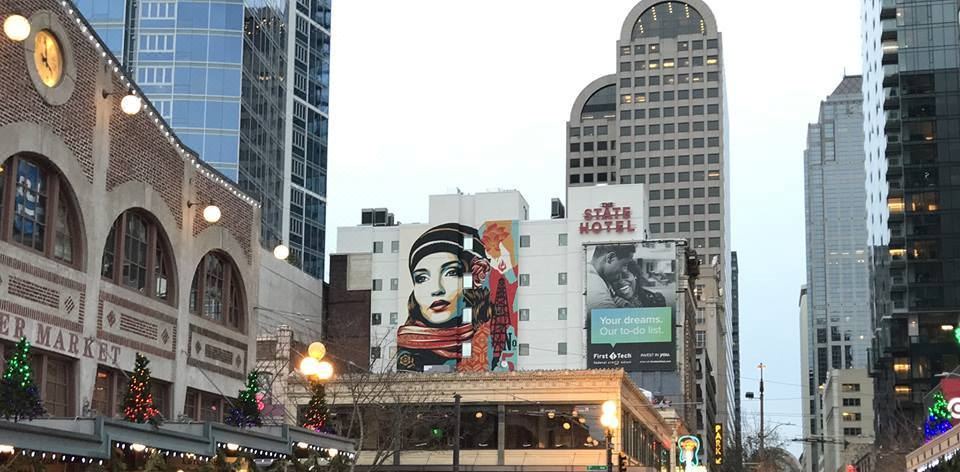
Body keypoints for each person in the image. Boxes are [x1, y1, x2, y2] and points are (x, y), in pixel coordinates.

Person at [396, 223, 498, 372]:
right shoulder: (406, 347)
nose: (437, 289)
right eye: (422, 278)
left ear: (473, 279)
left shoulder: (493, 337)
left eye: (451, 272)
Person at [585, 244, 636, 310]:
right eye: (624, 264)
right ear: (610, 258)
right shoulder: (599, 296)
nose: (624, 270)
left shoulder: (592, 274)